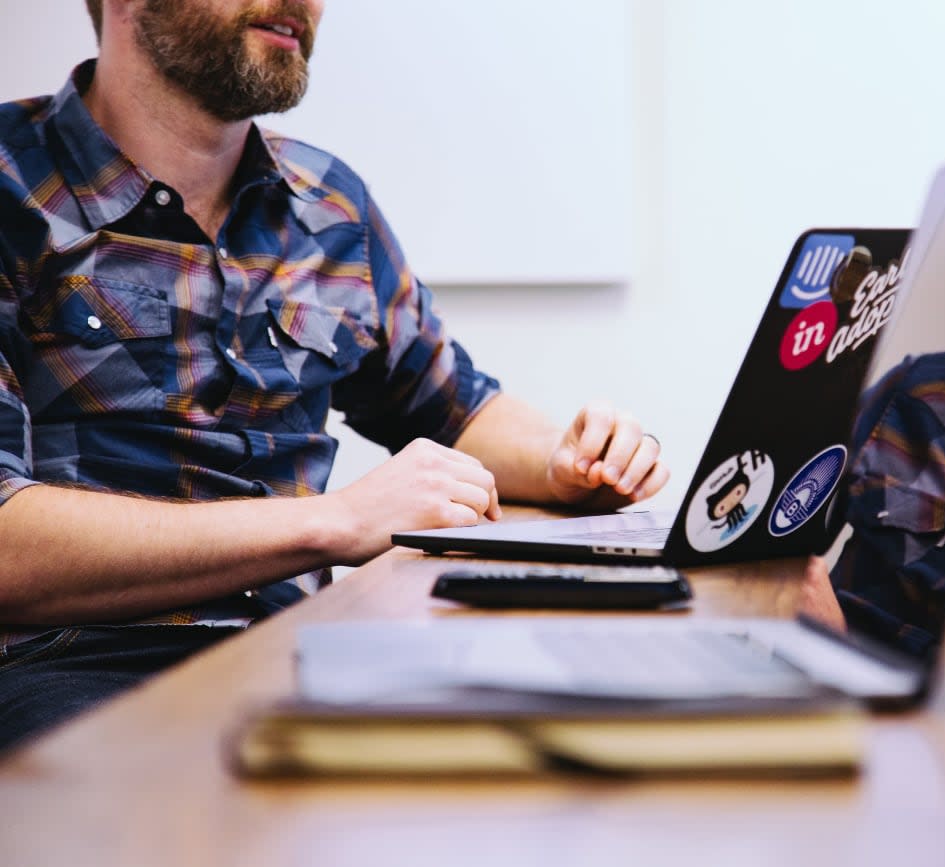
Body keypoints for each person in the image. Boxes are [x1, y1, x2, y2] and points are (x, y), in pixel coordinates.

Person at [0, 0, 667, 749]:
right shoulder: (9, 186)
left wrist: (565, 456)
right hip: (74, 669)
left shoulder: (329, 205)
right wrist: (335, 522)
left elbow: (452, 409)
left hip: (304, 652)